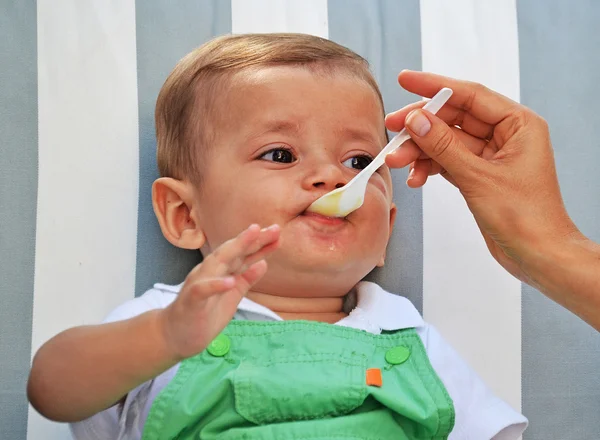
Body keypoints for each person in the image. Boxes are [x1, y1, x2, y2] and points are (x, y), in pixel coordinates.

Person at [27, 34, 527, 439]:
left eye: (358, 163)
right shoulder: (171, 319)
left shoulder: (408, 336)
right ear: (184, 215)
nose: (333, 178)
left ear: (386, 234)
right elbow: (50, 389)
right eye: (281, 155)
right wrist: (164, 338)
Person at [384, 70, 600, 332]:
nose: (329, 178)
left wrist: (552, 247)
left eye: (357, 162)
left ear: (387, 227)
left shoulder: (420, 339)